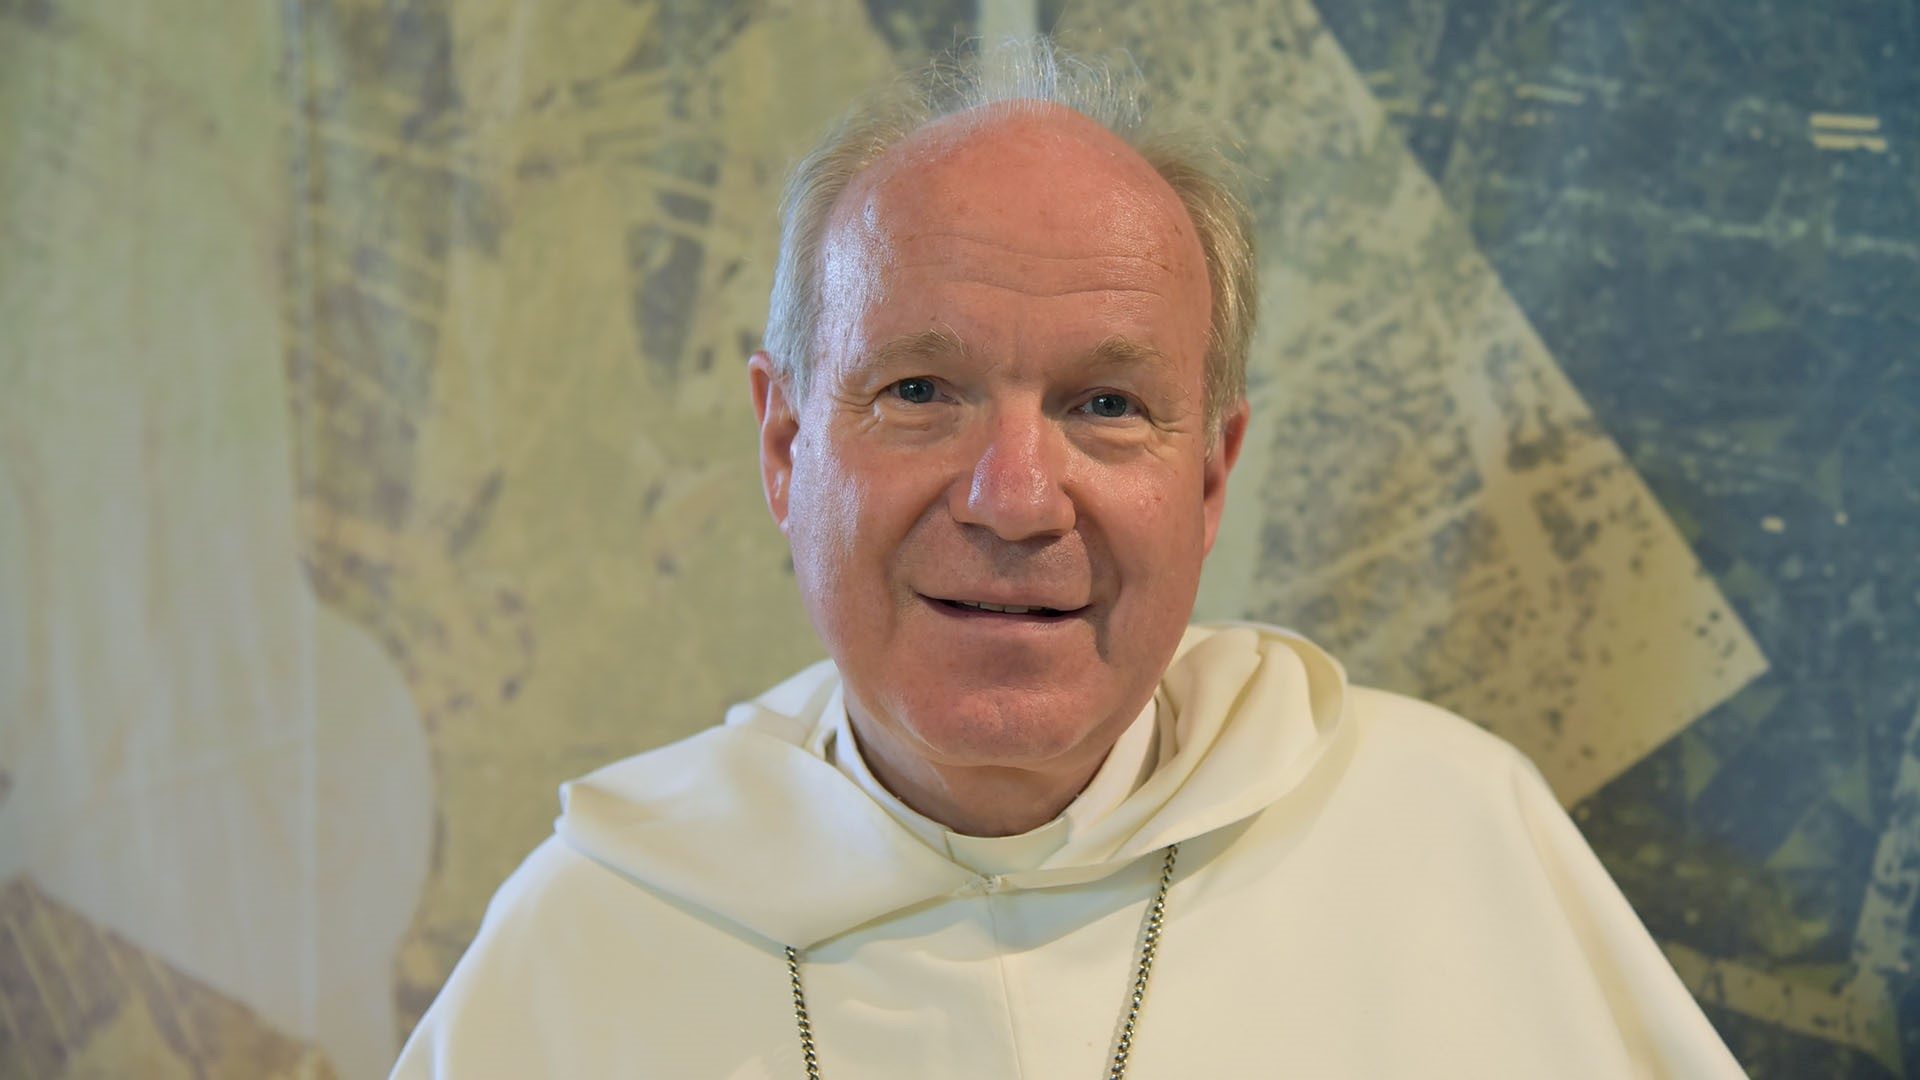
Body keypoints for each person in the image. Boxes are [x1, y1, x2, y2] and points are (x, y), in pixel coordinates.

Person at [393, 40, 1745, 1078]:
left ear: (1208, 477)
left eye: (1107, 406)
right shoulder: (593, 936)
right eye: (922, 390)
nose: (1016, 499)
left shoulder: (1446, 841)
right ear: (786, 445)